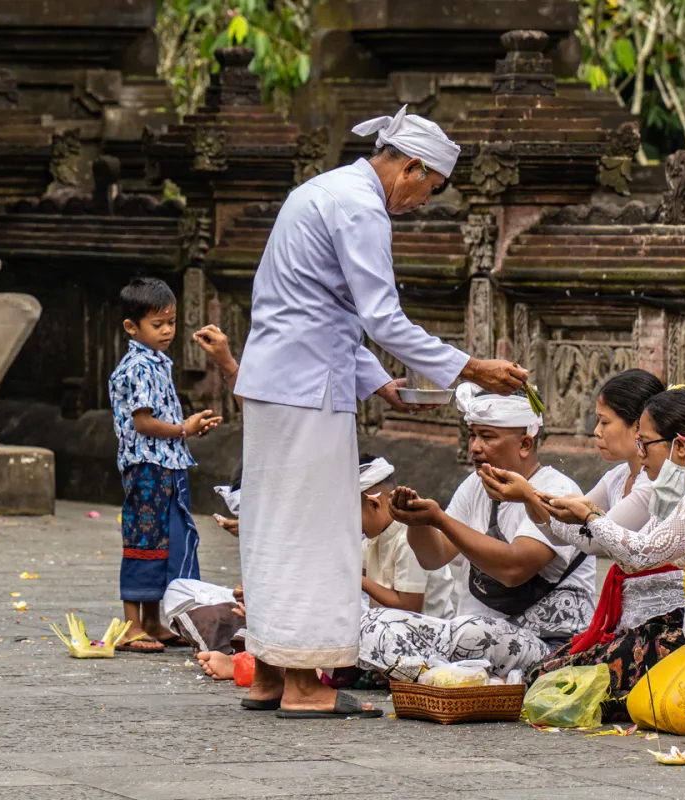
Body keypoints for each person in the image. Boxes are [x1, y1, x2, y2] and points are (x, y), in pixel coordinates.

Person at [234, 105, 529, 718]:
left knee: (273, 525)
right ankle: (304, 685)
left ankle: (267, 672)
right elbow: (381, 317)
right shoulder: (360, 206)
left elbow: (325, 305)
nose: (426, 201)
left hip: (282, 380)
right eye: (432, 188)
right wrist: (470, 366)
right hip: (305, 388)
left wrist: (380, 384)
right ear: (412, 168)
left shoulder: (322, 191)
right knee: (314, 532)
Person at [541, 389, 685, 735]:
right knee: (641, 704)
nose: (639, 454)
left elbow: (641, 555)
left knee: (673, 707)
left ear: (680, 446)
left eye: (645, 444)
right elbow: (634, 555)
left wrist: (590, 516)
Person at [483, 369, 685, 720]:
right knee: (545, 678)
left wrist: (528, 494)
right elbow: (570, 518)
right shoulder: (620, 475)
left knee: (564, 686)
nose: (596, 432)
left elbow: (592, 540)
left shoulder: (657, 484)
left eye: (605, 422)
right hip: (627, 623)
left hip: (663, 624)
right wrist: (530, 496)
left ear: (639, 427)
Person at [357, 384, 595, 679]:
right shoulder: (474, 485)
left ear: (524, 444)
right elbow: (434, 557)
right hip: (465, 634)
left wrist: (441, 520)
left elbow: (513, 568)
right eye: (473, 435)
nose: (474, 448)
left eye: (487, 437)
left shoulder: (557, 489)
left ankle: (429, 672)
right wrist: (419, 524)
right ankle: (444, 674)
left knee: (469, 634)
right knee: (369, 624)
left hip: (546, 645)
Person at [107, 278, 222, 653]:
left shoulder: (157, 363)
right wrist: (181, 428)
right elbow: (143, 423)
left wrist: (188, 430)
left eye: (171, 322)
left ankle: (153, 622)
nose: (168, 331)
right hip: (146, 466)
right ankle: (130, 626)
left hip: (166, 463)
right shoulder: (139, 365)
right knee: (143, 541)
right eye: (158, 325)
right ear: (131, 327)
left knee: (165, 540)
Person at [359, 455, 455, 619]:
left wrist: (358, 580)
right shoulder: (370, 540)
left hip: (428, 635)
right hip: (389, 630)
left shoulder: (409, 539)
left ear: (374, 504)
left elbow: (409, 607)